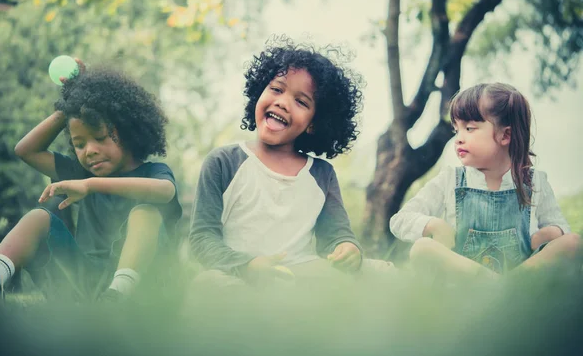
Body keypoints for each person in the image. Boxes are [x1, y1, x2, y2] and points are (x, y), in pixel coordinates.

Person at [0, 61, 181, 304]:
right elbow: (26, 150)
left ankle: (118, 296)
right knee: (38, 218)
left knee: (145, 213)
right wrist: (71, 104)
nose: (90, 150)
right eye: (79, 144)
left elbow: (165, 191)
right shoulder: (81, 172)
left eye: (99, 138)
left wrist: (90, 185)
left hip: (142, 292)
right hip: (84, 285)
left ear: (129, 131)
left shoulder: (152, 172)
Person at [189, 38, 380, 287]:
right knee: (206, 285)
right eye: (277, 89)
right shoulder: (223, 162)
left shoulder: (322, 174)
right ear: (260, 92)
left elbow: (335, 235)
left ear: (313, 123)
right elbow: (202, 238)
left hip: (300, 277)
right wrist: (246, 266)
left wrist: (346, 248)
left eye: (301, 102)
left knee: (380, 271)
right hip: (238, 276)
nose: (282, 102)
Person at [390, 82, 580, 276]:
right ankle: (499, 288)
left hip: (522, 279)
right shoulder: (450, 180)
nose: (459, 139)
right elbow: (400, 220)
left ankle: (507, 287)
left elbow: (562, 227)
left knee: (573, 242)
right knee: (422, 248)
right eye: (457, 130)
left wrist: (553, 232)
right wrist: (433, 224)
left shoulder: (534, 182)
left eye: (470, 128)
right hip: (464, 283)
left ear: (505, 135)